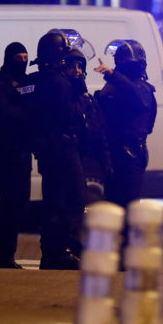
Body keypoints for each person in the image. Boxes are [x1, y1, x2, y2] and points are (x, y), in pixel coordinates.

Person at [30, 30, 88, 270]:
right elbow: (70, 114)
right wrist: (81, 98)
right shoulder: (60, 83)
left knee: (52, 201)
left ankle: (50, 253)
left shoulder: (35, 80)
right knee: (74, 198)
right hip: (63, 148)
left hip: (46, 150)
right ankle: (63, 250)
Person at [0, 42, 33, 269]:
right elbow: (4, 114)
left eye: (25, 58)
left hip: (21, 149)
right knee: (9, 201)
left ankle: (7, 253)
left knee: (20, 202)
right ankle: (4, 255)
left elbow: (32, 95)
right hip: (3, 150)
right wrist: (28, 111)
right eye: (18, 58)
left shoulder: (25, 83)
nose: (23, 62)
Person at [94, 39, 156, 209]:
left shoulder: (142, 89)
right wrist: (102, 94)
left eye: (128, 63)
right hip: (112, 152)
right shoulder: (115, 87)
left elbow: (138, 99)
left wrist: (112, 75)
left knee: (127, 204)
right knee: (112, 203)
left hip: (131, 152)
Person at [65, 48, 112, 206]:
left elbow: (100, 131)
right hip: (69, 161)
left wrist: (106, 163)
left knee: (91, 208)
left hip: (91, 164)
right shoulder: (63, 97)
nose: (77, 71)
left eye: (80, 67)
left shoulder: (88, 99)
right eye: (72, 66)